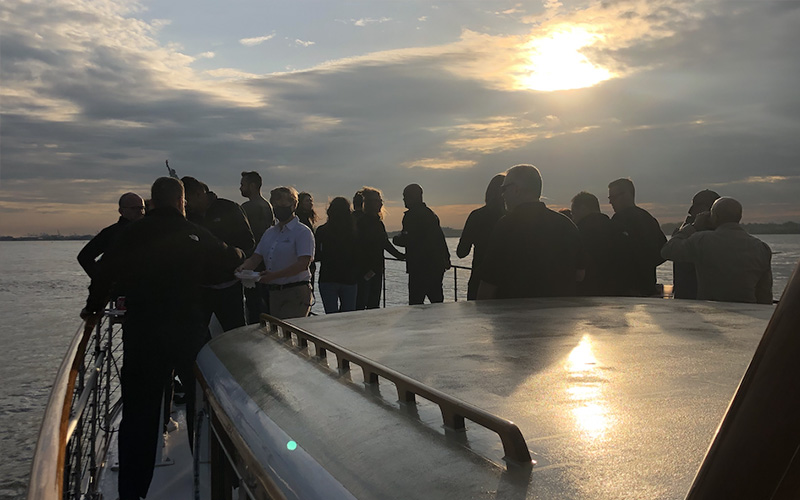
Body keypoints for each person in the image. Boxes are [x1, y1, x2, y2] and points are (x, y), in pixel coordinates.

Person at [81, 177, 244, 500]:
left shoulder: (130, 233)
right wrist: (241, 253)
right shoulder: (192, 234)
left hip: (142, 333)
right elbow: (228, 258)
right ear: (181, 201)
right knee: (205, 405)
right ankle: (216, 480)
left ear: (152, 202)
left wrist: (93, 308)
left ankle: (132, 491)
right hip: (186, 331)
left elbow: (104, 272)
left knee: (139, 415)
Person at [478, 165, 582, 299]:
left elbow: (490, 279)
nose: (502, 194)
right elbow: (580, 274)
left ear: (516, 189)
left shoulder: (506, 226)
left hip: (514, 313)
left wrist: (480, 312)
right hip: (559, 313)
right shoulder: (567, 225)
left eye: (504, 189)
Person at [661, 197, 772, 304]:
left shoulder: (702, 241)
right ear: (739, 217)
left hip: (711, 310)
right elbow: (764, 293)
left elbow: (668, 251)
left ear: (714, 217)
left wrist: (693, 226)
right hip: (749, 310)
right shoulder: (761, 248)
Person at [182, 176, 254, 331]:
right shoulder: (188, 217)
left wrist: (230, 258)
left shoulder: (229, 208)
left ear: (199, 194)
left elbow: (248, 243)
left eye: (187, 200)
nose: (186, 205)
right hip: (201, 288)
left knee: (236, 332)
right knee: (195, 333)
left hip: (229, 285)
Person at [237, 186, 315, 319]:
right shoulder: (270, 233)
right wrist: (243, 268)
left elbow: (303, 263)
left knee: (290, 331)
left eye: (282, 204)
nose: (278, 208)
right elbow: (256, 258)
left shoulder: (302, 232)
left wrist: (274, 275)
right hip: (274, 293)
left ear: (293, 205)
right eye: (275, 205)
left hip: (295, 292)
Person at [393, 184, 451, 305]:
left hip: (418, 268)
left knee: (415, 305)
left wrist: (396, 239)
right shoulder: (431, 214)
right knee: (437, 303)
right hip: (435, 266)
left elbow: (408, 239)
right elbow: (440, 237)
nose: (403, 199)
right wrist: (446, 258)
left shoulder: (411, 216)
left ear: (413, 197)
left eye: (405, 196)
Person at [607, 178, 667, 296]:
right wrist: (647, 266)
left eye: (613, 197)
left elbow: (614, 254)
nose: (611, 202)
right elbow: (663, 251)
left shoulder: (619, 220)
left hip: (626, 289)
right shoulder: (649, 219)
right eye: (610, 198)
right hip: (647, 287)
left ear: (627, 194)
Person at [456, 174, 506, 300]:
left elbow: (461, 252)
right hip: (506, 282)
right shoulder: (512, 219)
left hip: (479, 280)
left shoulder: (476, 216)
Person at [355, 187, 405, 309]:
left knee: (373, 304)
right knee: (361, 303)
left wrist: (402, 256)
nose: (381, 203)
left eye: (380, 200)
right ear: (369, 203)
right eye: (377, 200)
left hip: (376, 270)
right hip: (364, 271)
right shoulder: (362, 223)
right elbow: (360, 247)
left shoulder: (377, 222)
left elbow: (384, 243)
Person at [570, 191, 627, 296]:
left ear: (583, 208)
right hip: (621, 292)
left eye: (574, 213)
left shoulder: (578, 233)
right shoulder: (619, 229)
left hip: (588, 293)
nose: (573, 218)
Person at [77, 192, 145, 279]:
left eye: (141, 208)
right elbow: (84, 256)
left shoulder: (146, 230)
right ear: (121, 211)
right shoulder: (112, 232)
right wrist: (101, 279)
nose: (139, 212)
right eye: (134, 208)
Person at [672, 189, 720, 299]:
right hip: (686, 297)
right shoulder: (687, 231)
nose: (690, 210)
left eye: (697, 205)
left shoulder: (718, 237)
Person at [239, 171, 274, 321]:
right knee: (266, 302)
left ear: (252, 186)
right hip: (267, 262)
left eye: (243, 185)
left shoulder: (247, 208)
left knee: (254, 305)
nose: (240, 188)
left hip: (252, 262)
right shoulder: (267, 206)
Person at [315, 197, 359, 313]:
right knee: (348, 316)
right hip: (349, 278)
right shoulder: (354, 232)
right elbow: (358, 255)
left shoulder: (322, 231)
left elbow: (316, 255)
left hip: (327, 277)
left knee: (330, 316)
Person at [296, 191, 318, 291]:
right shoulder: (300, 220)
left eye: (311, 201)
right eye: (307, 201)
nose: (310, 203)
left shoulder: (307, 219)